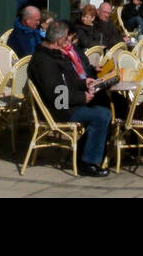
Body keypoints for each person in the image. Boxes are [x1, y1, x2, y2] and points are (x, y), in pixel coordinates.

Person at [29, 20, 112, 177]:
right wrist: (82, 97)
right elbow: (54, 93)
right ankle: (88, 162)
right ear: (59, 40)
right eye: (67, 38)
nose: (70, 41)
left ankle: (86, 151)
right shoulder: (44, 61)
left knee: (105, 105)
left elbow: (68, 80)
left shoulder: (55, 55)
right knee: (101, 116)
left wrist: (84, 83)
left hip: (66, 102)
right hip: (58, 108)